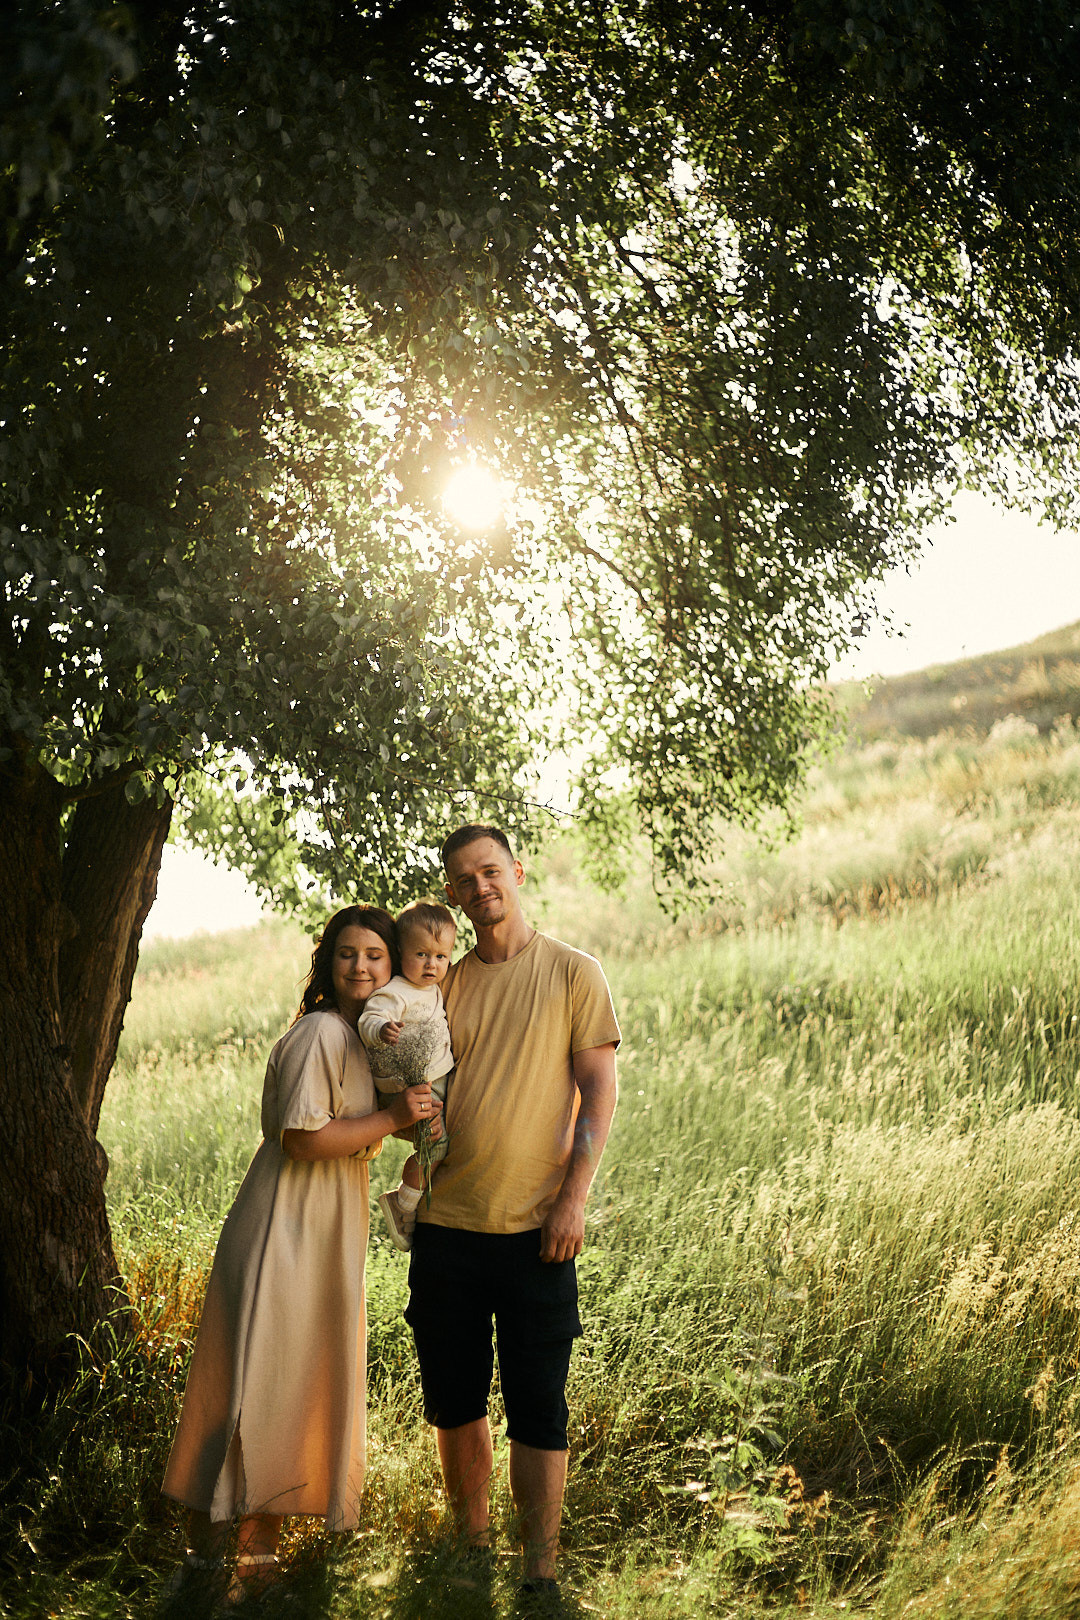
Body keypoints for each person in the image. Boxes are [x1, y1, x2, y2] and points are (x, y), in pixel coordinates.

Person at [161, 905, 442, 1605]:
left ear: (395, 964)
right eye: (347, 954)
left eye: (375, 955)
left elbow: (385, 1122)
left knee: (282, 1381)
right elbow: (304, 1139)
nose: (361, 968)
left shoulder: (363, 1039)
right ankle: (241, 1567)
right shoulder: (320, 1032)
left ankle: (224, 1562)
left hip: (325, 1224)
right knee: (263, 1384)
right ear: (328, 964)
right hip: (286, 1222)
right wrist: (393, 1117)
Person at [404, 825, 620, 1609]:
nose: (481, 886)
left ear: (516, 873)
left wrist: (574, 1198)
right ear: (453, 895)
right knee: (454, 1401)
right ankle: (470, 1550)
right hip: (446, 1229)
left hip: (538, 1232)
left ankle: (540, 1570)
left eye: (491, 870)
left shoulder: (573, 972)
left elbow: (599, 1091)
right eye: (464, 879)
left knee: (538, 1405)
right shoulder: (443, 989)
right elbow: (419, 1095)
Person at [358, 900, 457, 1252]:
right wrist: (382, 1028)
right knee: (437, 1143)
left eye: (441, 957)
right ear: (401, 953)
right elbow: (369, 1017)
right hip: (411, 1084)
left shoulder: (432, 989)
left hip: (436, 1077)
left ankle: (410, 1199)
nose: (432, 964)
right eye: (421, 954)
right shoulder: (395, 990)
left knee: (440, 1140)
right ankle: (404, 1202)